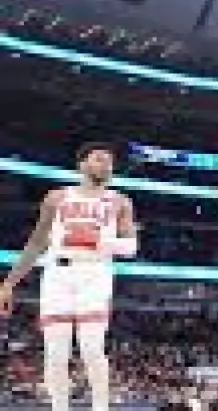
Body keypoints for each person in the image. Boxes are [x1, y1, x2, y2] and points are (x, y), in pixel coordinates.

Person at [0, 142, 139, 411]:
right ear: (82, 164)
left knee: (91, 348)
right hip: (57, 274)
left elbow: (131, 247)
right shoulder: (56, 197)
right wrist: (9, 283)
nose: (106, 165)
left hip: (95, 273)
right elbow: (36, 243)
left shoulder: (120, 201)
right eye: (99, 159)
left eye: (109, 162)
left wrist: (98, 240)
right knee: (55, 353)